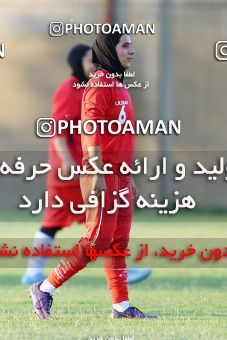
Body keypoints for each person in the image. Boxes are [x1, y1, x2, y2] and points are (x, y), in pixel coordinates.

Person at [28, 31, 157, 319]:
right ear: (109, 51)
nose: (132, 51)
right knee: (97, 241)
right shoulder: (99, 84)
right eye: (125, 46)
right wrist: (98, 170)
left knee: (118, 244)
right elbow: (92, 130)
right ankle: (45, 288)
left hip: (119, 174)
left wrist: (127, 175)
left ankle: (121, 308)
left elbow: (119, 137)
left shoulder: (118, 85)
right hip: (102, 173)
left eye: (132, 45)